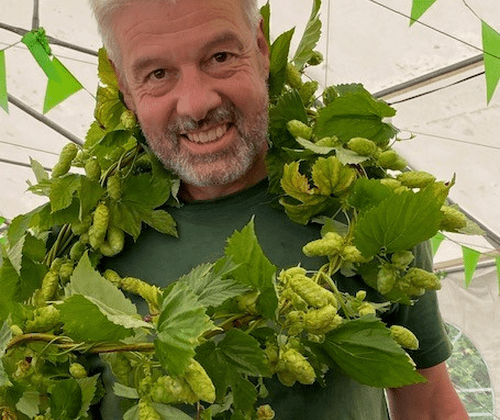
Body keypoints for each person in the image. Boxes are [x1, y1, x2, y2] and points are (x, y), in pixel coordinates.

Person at [88, 0, 469, 418]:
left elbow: (431, 407)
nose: (196, 104)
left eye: (220, 57)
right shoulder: (79, 251)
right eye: (158, 74)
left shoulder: (366, 213)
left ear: (260, 48)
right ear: (125, 87)